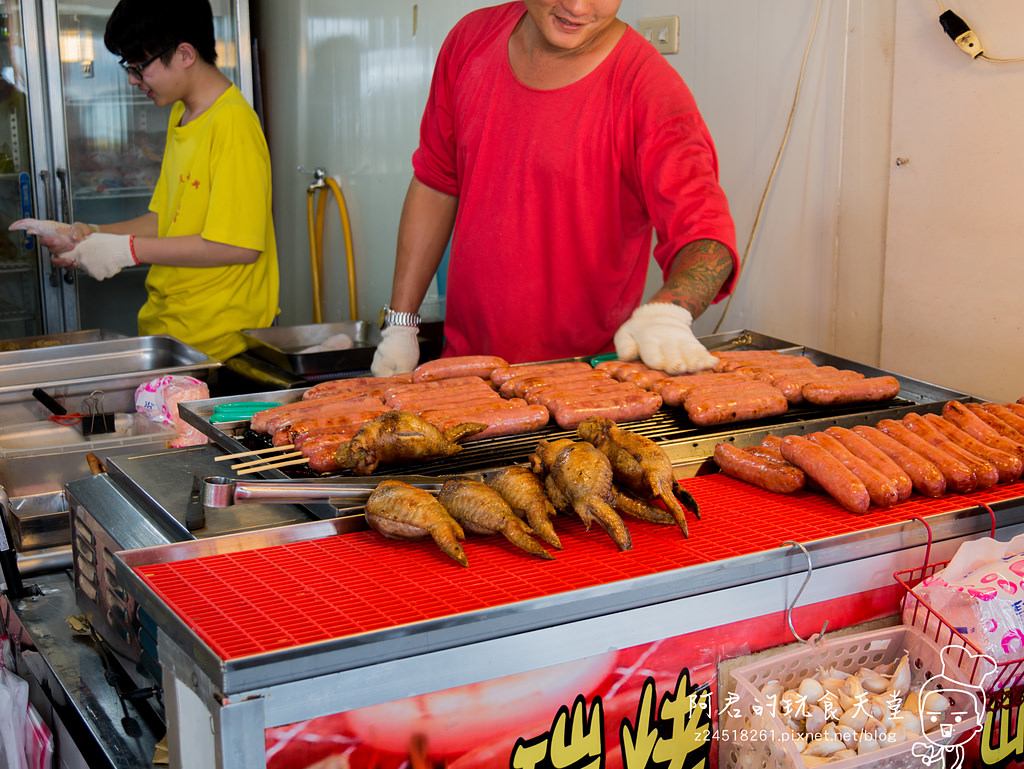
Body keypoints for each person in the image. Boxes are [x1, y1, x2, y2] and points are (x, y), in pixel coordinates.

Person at [371, 0, 738, 378]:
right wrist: (401, 323)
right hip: (465, 373)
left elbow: (706, 234)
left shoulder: (649, 88)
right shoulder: (470, 41)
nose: (577, 7)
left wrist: (670, 311)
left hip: (581, 385)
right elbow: (436, 183)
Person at [10, 0, 278, 362]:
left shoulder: (234, 126)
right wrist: (89, 233)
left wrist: (126, 251)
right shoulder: (183, 114)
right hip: (172, 330)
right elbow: (163, 220)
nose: (133, 81)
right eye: (129, 68)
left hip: (219, 346)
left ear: (184, 54)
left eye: (139, 67)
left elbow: (238, 247)